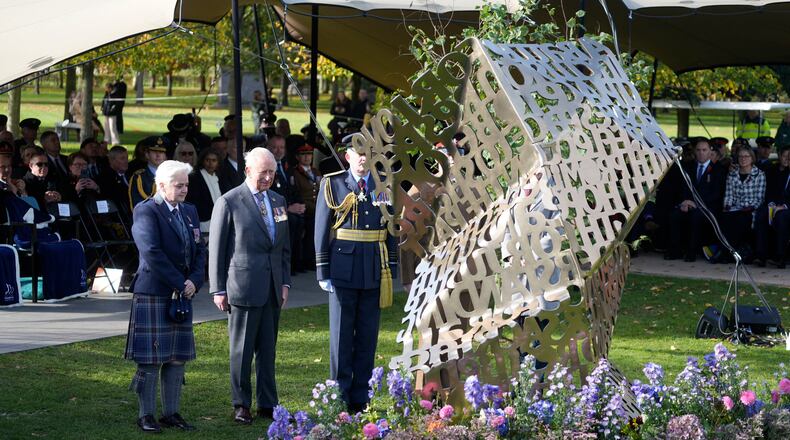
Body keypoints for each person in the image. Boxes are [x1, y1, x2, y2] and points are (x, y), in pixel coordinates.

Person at [209, 147, 291, 424]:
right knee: (241, 351)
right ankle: (241, 404)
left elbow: (283, 248)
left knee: (268, 351)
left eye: (272, 172)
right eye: (262, 172)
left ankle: (268, 404)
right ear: (247, 171)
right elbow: (217, 250)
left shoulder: (278, 200)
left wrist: (286, 282)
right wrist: (217, 289)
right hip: (242, 287)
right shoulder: (229, 201)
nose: (268, 177)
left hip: (272, 288)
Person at [314, 142, 398, 412]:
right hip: (342, 269)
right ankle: (339, 395)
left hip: (374, 267)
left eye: (368, 154)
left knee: (367, 335)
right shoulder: (333, 185)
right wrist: (322, 269)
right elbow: (321, 229)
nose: (363, 159)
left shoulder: (383, 185)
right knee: (341, 337)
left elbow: (391, 227)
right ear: (347, 156)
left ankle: (361, 396)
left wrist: (391, 265)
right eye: (358, 154)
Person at [125, 160, 206, 433]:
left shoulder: (190, 211)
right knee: (149, 359)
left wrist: (194, 281)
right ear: (161, 186)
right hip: (154, 292)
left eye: (186, 184)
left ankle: (171, 413)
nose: (184, 190)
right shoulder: (146, 210)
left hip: (182, 293)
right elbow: (151, 252)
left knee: (176, 357)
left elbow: (200, 250)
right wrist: (181, 283)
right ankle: (145, 415)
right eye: (178, 185)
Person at [666, 138, 726, 262]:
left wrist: (696, 204)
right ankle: (675, 250)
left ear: (710, 151)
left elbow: (716, 194)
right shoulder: (688, 167)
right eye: (698, 150)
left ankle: (691, 251)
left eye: (704, 150)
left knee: (696, 217)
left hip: (707, 208)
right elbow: (682, 188)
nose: (701, 153)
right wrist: (684, 201)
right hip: (688, 204)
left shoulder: (718, 170)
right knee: (675, 216)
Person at [717, 146, 765, 263]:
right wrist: (728, 206)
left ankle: (728, 253)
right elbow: (728, 195)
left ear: (752, 158)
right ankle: (727, 251)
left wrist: (745, 206)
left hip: (750, 210)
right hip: (734, 208)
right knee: (724, 219)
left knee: (740, 221)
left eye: (746, 156)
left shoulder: (759, 175)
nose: (743, 159)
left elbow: (760, 199)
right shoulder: (732, 174)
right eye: (740, 156)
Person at [266, 135, 306, 273]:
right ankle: (286, 265)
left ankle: (298, 262)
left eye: (281, 147)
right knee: (292, 220)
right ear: (268, 148)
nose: (278, 150)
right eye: (274, 147)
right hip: (273, 210)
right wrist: (288, 208)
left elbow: (293, 189)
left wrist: (300, 204)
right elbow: (269, 194)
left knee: (301, 219)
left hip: (289, 208)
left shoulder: (285, 165)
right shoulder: (266, 167)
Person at [755, 148, 790, 268]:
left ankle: (780, 257)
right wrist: (771, 204)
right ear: (779, 156)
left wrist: (784, 206)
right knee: (762, 215)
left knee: (781, 217)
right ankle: (761, 256)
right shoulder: (772, 171)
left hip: (787, 207)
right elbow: (768, 191)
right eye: (784, 156)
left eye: (789, 156)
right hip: (773, 204)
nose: (787, 159)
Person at [291, 144, 321, 270]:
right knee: (312, 223)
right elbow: (297, 193)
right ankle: (307, 260)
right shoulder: (295, 173)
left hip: (316, 207)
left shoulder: (315, 171)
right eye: (303, 155)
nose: (307, 157)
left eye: (309, 154)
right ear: (297, 157)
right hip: (306, 208)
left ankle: (315, 258)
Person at [185, 148, 224, 235]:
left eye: (214, 160)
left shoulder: (219, 178)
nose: (210, 164)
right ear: (202, 161)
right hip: (202, 223)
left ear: (218, 163)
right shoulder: (195, 177)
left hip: (218, 221)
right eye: (207, 160)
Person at [128, 136, 167, 211]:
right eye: (154, 152)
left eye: (161, 152)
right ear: (147, 154)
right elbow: (137, 206)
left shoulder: (171, 176)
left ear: (165, 156)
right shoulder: (139, 178)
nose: (158, 155)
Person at [98, 145, 132, 221]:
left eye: (126, 158)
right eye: (122, 158)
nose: (126, 161)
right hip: (120, 215)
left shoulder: (130, 174)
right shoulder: (105, 177)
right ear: (111, 160)